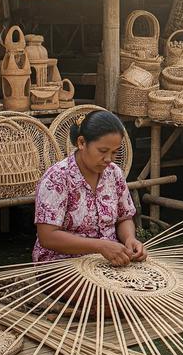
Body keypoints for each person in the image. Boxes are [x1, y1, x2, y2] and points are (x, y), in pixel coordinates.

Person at [33, 110, 146, 266]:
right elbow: (47, 237)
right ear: (81, 143)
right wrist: (100, 246)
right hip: (62, 263)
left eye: (114, 152)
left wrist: (129, 239)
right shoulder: (57, 178)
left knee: (150, 287)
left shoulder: (114, 173)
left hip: (110, 260)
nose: (108, 159)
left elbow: (124, 217)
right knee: (105, 291)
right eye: (103, 151)